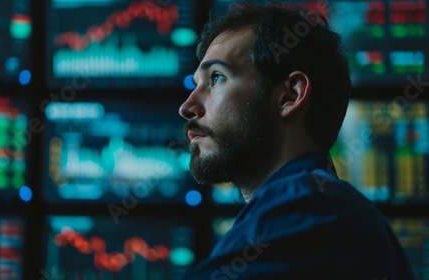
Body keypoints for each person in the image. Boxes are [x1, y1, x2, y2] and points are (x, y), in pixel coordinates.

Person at [178, 2, 415, 279]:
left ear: (290, 96)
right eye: (196, 84)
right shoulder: (324, 206)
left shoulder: (305, 208)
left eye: (216, 77)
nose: (187, 106)